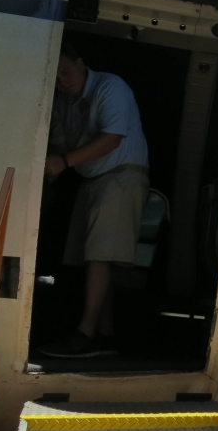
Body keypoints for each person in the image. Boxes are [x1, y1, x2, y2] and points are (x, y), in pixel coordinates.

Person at [40, 45, 149, 358]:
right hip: (93, 179)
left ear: (80, 61)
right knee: (97, 258)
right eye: (56, 77)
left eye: (66, 71)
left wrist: (62, 163)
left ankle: (85, 333)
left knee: (99, 256)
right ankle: (104, 335)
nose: (63, 81)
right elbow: (60, 143)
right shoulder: (63, 102)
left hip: (120, 177)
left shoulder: (110, 87)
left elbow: (112, 138)